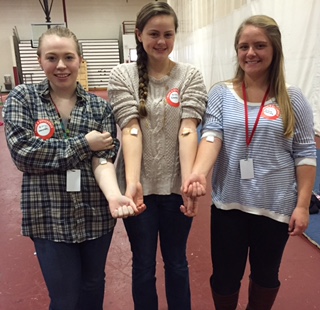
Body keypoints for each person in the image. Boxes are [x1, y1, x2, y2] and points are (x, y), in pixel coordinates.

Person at [182, 15, 317, 310]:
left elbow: (305, 154)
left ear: (274, 49)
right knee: (224, 279)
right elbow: (211, 136)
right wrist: (198, 173)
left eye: (259, 46)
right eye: (243, 46)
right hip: (229, 203)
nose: (250, 53)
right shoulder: (221, 93)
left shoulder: (292, 98)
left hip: (275, 205)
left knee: (267, 276)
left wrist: (303, 205)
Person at [3, 26, 138, 310]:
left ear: (80, 60)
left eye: (68, 57)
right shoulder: (22, 99)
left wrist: (114, 196)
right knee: (64, 298)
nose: (61, 66)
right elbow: (24, 154)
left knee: (92, 288)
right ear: (40, 60)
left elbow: (102, 161)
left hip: (95, 214)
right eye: (52, 58)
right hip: (47, 216)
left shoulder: (99, 108)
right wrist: (85, 144)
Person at [107, 2, 207, 309]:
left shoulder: (189, 75)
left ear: (176, 35)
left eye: (168, 34)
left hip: (175, 187)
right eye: (153, 34)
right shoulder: (121, 75)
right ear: (138, 35)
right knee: (143, 265)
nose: (161, 41)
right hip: (139, 190)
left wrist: (189, 181)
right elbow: (130, 129)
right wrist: (134, 183)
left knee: (177, 262)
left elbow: (188, 128)